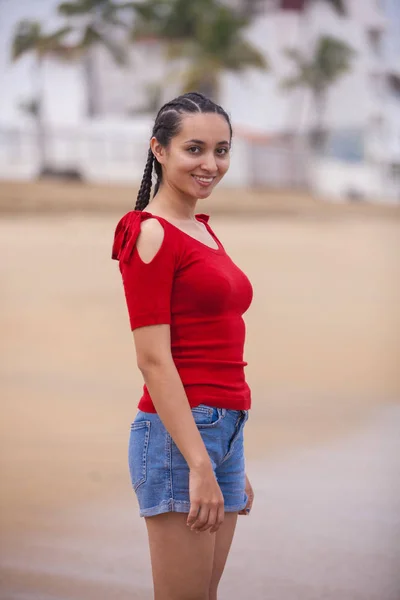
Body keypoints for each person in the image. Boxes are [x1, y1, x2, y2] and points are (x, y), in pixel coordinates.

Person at [112, 92, 254, 600]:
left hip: (222, 429)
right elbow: (152, 358)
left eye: (222, 150)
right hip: (181, 436)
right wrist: (199, 462)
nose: (211, 164)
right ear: (159, 150)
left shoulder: (202, 230)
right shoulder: (150, 233)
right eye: (194, 149)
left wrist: (228, 459)